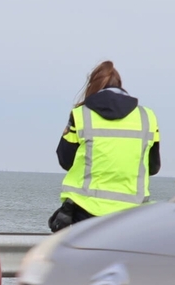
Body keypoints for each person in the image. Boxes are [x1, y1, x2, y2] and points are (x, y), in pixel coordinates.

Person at [48, 60, 161, 232]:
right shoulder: (147, 117)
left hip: (85, 210)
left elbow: (65, 160)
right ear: (120, 86)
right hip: (130, 213)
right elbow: (153, 167)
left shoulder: (81, 115)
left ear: (92, 87)